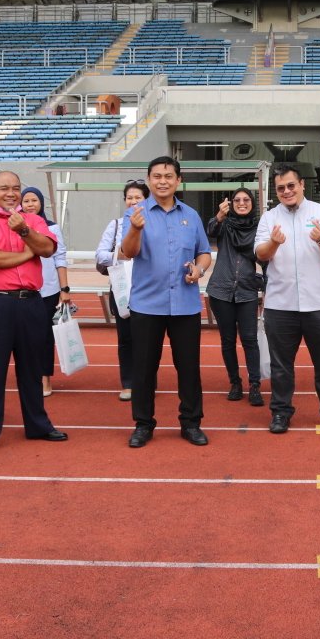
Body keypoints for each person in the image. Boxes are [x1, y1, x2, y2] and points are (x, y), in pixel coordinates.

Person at [0, 171, 67, 456]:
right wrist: (24, 254)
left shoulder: (34, 221)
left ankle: (37, 424)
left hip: (30, 302)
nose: (11, 193)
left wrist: (24, 231)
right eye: (4, 188)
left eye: (16, 189)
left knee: (32, 368)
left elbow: (46, 249)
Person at [119, 156, 212, 448]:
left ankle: (191, 422)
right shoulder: (136, 213)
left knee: (189, 367)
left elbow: (204, 252)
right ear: (149, 180)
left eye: (168, 176)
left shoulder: (192, 216)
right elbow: (128, 252)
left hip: (185, 305)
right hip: (147, 305)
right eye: (157, 176)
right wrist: (135, 228)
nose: (162, 181)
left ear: (178, 181)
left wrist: (199, 269)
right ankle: (143, 424)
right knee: (144, 369)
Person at [255, 164, 320, 434]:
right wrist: (274, 243)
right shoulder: (269, 218)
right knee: (281, 366)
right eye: (281, 188)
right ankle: (281, 413)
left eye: (291, 186)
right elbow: (261, 254)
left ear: (302, 185)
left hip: (318, 304)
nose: (286, 191)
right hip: (280, 305)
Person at [206, 186, 265, 406]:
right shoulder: (225, 225)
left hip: (247, 291)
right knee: (227, 340)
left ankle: (255, 386)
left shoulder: (260, 228)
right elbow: (211, 230)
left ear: (252, 203)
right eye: (237, 200)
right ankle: (235, 383)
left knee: (250, 340)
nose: (241, 203)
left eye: (246, 200)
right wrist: (219, 216)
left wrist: (264, 281)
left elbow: (266, 258)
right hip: (221, 290)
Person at [96, 181, 148, 402]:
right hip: (121, 289)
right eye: (129, 197)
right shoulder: (116, 225)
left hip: (148, 288)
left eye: (138, 197)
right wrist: (121, 254)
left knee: (148, 338)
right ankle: (128, 382)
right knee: (126, 338)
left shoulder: (154, 223)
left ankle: (145, 381)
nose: (133, 201)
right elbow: (100, 256)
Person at [20, 186, 71, 398]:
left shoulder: (52, 228)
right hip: (22, 289)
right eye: (26, 201)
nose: (30, 204)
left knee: (44, 336)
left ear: (41, 203)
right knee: (24, 337)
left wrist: (64, 289)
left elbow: (60, 258)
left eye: (34, 200)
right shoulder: (14, 226)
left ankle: (45, 377)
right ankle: (28, 376)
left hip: (47, 290)